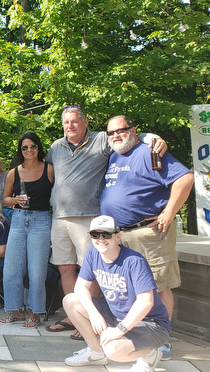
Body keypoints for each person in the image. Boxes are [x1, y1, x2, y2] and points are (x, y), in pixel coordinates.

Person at [45, 105, 166, 337]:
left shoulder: (101, 140)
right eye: (66, 122)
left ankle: (95, 318)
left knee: (91, 269)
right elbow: (52, 177)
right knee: (65, 267)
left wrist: (155, 138)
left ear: (85, 122)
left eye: (74, 121)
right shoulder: (55, 147)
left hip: (88, 216)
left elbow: (128, 136)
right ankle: (75, 316)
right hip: (59, 216)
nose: (70, 126)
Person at [100, 115, 192, 359]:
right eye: (111, 133)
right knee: (133, 288)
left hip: (148, 234)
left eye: (121, 130)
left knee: (159, 286)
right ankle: (140, 333)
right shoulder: (114, 155)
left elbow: (185, 178)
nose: (116, 135)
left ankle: (163, 340)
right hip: (121, 236)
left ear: (134, 130)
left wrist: (170, 212)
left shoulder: (149, 151)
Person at [63, 216, 170, 372]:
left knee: (113, 350)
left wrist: (120, 330)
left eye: (106, 235)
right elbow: (80, 287)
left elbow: (146, 302)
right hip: (116, 314)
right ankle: (96, 353)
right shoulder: (93, 253)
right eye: (95, 235)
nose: (101, 239)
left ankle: (150, 354)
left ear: (117, 236)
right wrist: (94, 314)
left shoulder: (134, 261)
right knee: (71, 301)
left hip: (150, 324)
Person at [0, 132, 54, 329]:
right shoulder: (14, 172)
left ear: (39, 148)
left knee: (37, 271)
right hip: (19, 219)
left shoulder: (49, 169)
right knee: (11, 269)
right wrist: (15, 201)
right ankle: (15, 309)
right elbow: (4, 198)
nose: (29, 150)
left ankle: (35, 311)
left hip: (41, 219)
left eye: (33, 146)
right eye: (25, 147)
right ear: (20, 151)